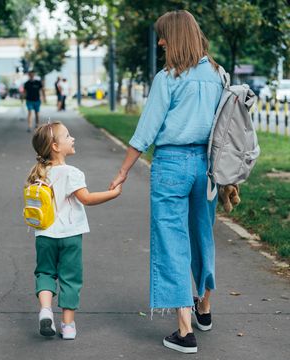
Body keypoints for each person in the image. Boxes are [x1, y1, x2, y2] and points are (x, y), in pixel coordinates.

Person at [110, 10, 223, 354]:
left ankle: (184, 331)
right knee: (203, 234)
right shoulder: (218, 74)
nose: (160, 41)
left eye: (163, 35)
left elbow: (146, 131)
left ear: (175, 37)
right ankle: (204, 309)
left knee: (171, 239)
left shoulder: (168, 77)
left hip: (171, 164)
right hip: (207, 166)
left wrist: (124, 170)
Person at [25, 122, 122, 340]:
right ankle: (68, 326)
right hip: (70, 236)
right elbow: (86, 199)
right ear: (56, 146)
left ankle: (45, 310)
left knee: (45, 272)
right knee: (71, 278)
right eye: (68, 136)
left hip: (44, 235)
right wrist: (113, 194)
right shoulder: (72, 173)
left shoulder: (39, 174)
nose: (73, 138)